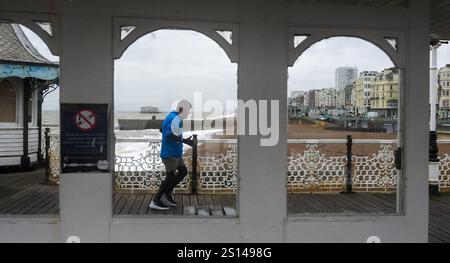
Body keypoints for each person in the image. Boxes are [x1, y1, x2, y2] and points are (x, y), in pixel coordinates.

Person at [149, 100, 194, 210]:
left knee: (182, 172)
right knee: (170, 176)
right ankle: (156, 200)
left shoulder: (172, 116)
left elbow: (161, 129)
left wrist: (181, 139)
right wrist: (185, 141)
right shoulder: (176, 118)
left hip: (175, 152)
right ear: (182, 109)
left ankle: (166, 194)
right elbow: (169, 135)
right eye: (188, 110)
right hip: (170, 154)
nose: (188, 113)